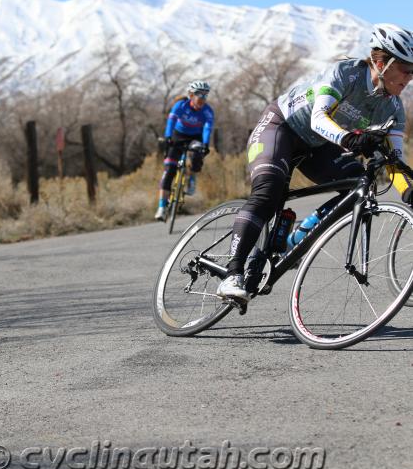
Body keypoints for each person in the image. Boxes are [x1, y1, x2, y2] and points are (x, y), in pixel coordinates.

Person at [217, 23, 413, 301]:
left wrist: (408, 190)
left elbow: (394, 159)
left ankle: (295, 240)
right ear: (381, 62)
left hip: (318, 146)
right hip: (282, 127)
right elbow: (318, 118)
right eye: (406, 68)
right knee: (268, 192)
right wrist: (349, 139)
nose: (410, 77)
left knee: (359, 186)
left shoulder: (392, 107)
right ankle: (232, 274)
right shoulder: (346, 74)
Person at [154, 80, 214, 221]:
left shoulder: (208, 111)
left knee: (197, 155)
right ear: (191, 95)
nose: (203, 98)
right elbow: (171, 122)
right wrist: (168, 137)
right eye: (200, 95)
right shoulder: (180, 105)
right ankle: (162, 207)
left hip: (195, 137)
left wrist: (205, 144)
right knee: (169, 170)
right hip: (178, 136)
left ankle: (191, 177)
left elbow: (207, 128)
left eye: (206, 95)